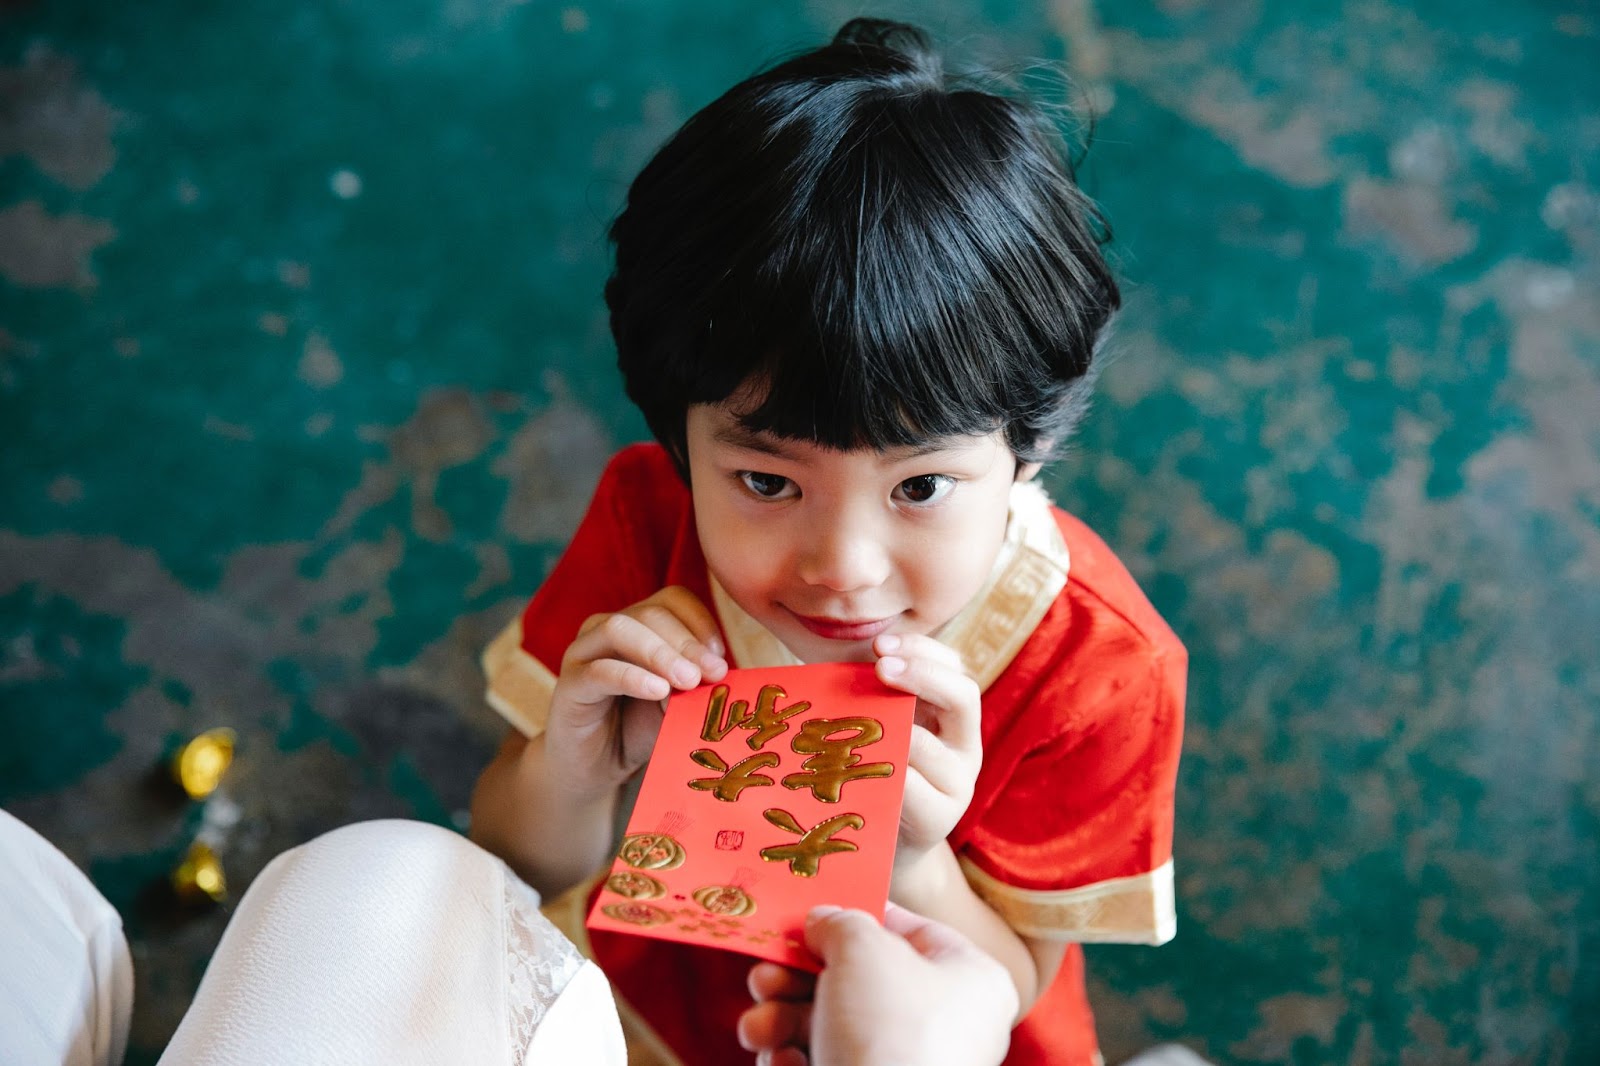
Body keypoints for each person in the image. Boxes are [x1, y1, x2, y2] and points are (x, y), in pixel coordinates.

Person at [470, 16, 1187, 1066]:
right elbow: (512, 860)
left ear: (1029, 448)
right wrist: (571, 771)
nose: (842, 567)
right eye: (766, 480)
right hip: (651, 1006)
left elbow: (1013, 975)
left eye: (922, 485)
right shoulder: (647, 524)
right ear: (677, 439)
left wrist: (912, 859)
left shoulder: (1097, 667)